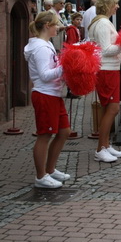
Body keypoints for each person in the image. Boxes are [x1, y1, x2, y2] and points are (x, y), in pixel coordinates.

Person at [24, 11, 71, 188]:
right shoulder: (41, 48)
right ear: (47, 26)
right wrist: (65, 66)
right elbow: (44, 75)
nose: (58, 27)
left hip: (53, 94)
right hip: (45, 94)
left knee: (64, 131)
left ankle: (50, 170)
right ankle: (41, 176)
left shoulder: (46, 44)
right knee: (45, 135)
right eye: (56, 24)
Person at [88, 0, 121, 163]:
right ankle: (100, 148)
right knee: (112, 109)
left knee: (108, 109)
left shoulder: (102, 22)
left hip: (109, 69)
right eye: (115, 3)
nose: (117, 6)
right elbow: (105, 50)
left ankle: (105, 145)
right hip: (106, 70)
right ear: (108, 5)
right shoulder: (103, 23)